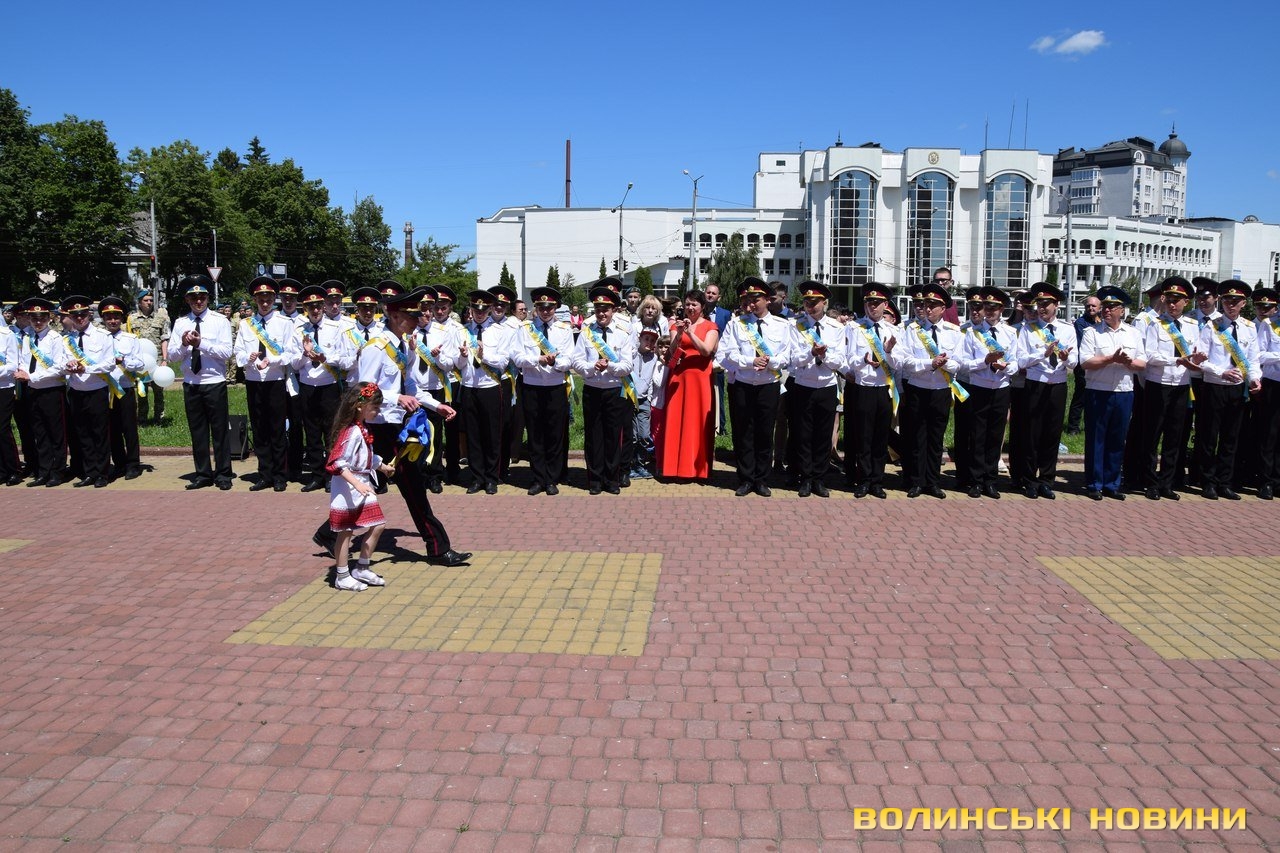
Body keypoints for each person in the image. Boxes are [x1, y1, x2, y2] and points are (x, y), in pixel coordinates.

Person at [329, 286, 469, 566]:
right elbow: (365, 390)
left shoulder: (404, 346)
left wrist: (436, 406)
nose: (418, 319)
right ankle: (438, 548)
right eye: (411, 315)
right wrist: (396, 398)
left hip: (395, 425)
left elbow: (412, 387)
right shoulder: (376, 347)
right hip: (378, 427)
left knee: (378, 483)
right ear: (394, 315)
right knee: (410, 487)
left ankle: (326, 534)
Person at [720, 277, 791, 496]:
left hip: (768, 385)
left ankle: (761, 479)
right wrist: (751, 361)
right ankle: (745, 478)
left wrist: (771, 362)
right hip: (743, 385)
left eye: (756, 299)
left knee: (764, 432)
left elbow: (787, 356)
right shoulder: (736, 324)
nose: (751, 303)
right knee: (744, 432)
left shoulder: (782, 325)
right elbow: (727, 355)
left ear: (767, 300)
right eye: (749, 299)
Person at [325, 382, 396, 591]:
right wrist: (356, 483)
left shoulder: (362, 429)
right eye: (375, 407)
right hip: (347, 487)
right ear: (360, 406)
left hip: (362, 484)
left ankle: (362, 567)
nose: (378, 411)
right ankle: (342, 575)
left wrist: (382, 467)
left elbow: (365, 456)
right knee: (345, 532)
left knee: (378, 524)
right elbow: (337, 462)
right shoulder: (350, 431)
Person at [898, 281, 965, 498]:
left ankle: (933, 482)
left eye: (933, 305)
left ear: (943, 308)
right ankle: (917, 482)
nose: (927, 309)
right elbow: (906, 361)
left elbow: (959, 363)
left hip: (941, 390)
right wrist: (930, 363)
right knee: (917, 437)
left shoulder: (954, 332)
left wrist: (944, 364)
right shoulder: (913, 330)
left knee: (936, 438)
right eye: (926, 304)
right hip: (918, 389)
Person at [1195, 280, 1261, 500]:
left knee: (1231, 438)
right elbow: (1201, 361)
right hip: (1214, 386)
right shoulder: (1211, 326)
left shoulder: (1249, 328)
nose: (1230, 305)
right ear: (1221, 302)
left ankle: (1225, 482)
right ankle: (1207, 482)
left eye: (1235, 301)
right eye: (1226, 301)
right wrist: (1221, 372)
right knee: (1209, 437)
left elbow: (1253, 360)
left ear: (1243, 303)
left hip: (1237, 389)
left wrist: (1254, 379)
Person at [1079, 286, 1146, 500]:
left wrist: (1128, 362)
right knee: (1096, 439)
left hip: (1124, 392)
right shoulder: (1092, 333)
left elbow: (1142, 363)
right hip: (1098, 391)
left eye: (1112, 307)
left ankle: (1112, 484)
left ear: (1122, 310)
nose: (1107, 310)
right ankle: (1094, 483)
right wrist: (1110, 359)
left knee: (1117, 439)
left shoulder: (1133, 333)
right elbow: (1085, 362)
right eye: (1105, 306)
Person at [1140, 277, 1203, 501]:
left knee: (1174, 437)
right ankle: (1150, 483)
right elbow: (1149, 355)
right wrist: (1175, 360)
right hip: (1158, 384)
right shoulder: (1155, 324)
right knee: (1152, 435)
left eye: (1177, 300)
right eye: (1169, 300)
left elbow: (1197, 354)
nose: (1172, 304)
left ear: (1186, 302)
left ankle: (1166, 483)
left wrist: (1198, 360)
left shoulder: (1193, 326)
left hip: (1182, 385)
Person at [169, 276, 235, 489]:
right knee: (197, 431)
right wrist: (183, 344)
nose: (199, 301)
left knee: (220, 431)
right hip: (191, 383)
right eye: (194, 298)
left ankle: (223, 474)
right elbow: (172, 356)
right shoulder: (181, 323)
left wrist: (201, 343)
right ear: (187, 300)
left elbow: (227, 352)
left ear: (208, 298)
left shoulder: (220, 321)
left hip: (214, 382)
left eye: (203, 297)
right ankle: (203, 474)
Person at [1013, 282, 1077, 499]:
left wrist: (1066, 358)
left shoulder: (1067, 329)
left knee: (1052, 434)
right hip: (1035, 385)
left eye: (1046, 304)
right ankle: (1029, 480)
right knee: (1031, 434)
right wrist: (1042, 354)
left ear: (1056, 305)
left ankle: (1047, 480)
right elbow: (1021, 360)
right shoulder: (1028, 329)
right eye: (1039, 304)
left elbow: (1075, 361)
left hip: (1057, 386)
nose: (1041, 308)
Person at [236, 276, 299, 492]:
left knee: (277, 429)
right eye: (261, 299)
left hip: (275, 381)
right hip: (254, 381)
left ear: (274, 299)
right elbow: (238, 353)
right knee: (259, 429)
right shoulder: (246, 325)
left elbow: (290, 354)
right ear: (255, 300)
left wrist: (271, 360)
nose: (264, 303)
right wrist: (250, 359)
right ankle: (264, 474)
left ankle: (280, 475)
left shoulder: (284, 323)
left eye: (268, 299)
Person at [785, 281, 846, 497]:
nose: (810, 306)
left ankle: (819, 478)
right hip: (803, 385)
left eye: (815, 302)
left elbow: (839, 361)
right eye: (807, 302)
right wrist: (811, 353)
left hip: (827, 386)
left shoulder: (836, 328)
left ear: (824, 303)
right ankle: (805, 477)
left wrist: (824, 355)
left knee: (823, 435)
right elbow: (793, 359)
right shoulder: (796, 326)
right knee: (803, 434)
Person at [571, 286, 635, 494]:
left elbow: (628, 365)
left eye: (605, 309)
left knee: (613, 437)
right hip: (592, 390)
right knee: (594, 436)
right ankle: (595, 480)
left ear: (613, 310)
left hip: (614, 391)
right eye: (598, 309)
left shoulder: (623, 334)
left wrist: (610, 366)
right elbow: (577, 361)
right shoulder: (586, 333)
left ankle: (612, 479)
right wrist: (592, 366)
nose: (601, 313)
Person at [956, 287, 1018, 498]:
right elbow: (963, 364)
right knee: (977, 435)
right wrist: (984, 361)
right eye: (986, 307)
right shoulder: (972, 333)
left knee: (995, 435)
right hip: (979, 388)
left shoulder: (1010, 333)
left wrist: (1006, 367)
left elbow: (1015, 362)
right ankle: (976, 480)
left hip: (1001, 388)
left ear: (1002, 309)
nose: (989, 311)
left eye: (994, 308)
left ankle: (991, 480)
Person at [294, 284, 356, 493]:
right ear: (305, 308)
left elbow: (346, 358)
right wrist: (304, 355)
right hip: (307, 387)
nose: (315, 310)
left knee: (331, 433)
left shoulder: (335, 328)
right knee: (311, 433)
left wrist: (325, 358)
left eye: (318, 306)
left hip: (329, 387)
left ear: (323, 306)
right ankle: (316, 476)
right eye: (311, 307)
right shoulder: (299, 331)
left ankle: (332, 475)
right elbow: (293, 363)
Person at [511, 286, 573, 495]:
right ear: (535, 308)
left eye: (550, 307)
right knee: (535, 434)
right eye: (541, 307)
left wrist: (555, 363)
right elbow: (517, 357)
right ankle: (538, 478)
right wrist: (537, 359)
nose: (546, 311)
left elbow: (569, 358)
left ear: (555, 308)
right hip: (531, 387)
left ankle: (552, 479)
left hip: (555, 387)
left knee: (554, 434)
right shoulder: (525, 329)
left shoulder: (564, 330)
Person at [844, 283, 899, 498]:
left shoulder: (893, 331)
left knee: (880, 438)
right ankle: (864, 479)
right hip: (863, 388)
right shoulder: (854, 328)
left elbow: (899, 363)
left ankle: (877, 481)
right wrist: (863, 361)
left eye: (876, 303)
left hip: (884, 388)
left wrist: (888, 352)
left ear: (885, 305)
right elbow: (849, 358)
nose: (872, 307)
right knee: (863, 437)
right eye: (869, 303)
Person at [658, 289, 718, 481]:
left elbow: (706, 350)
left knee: (697, 420)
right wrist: (678, 334)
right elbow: (671, 351)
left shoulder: (710, 326)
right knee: (676, 419)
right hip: (679, 377)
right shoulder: (676, 325)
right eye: (688, 304)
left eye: (694, 304)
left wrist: (690, 333)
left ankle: (696, 469)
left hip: (700, 378)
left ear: (702, 307)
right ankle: (673, 468)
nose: (690, 307)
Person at [57, 295, 116, 488]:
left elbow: (109, 364)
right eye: (75, 315)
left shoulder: (103, 336)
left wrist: (86, 368)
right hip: (76, 391)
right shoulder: (67, 339)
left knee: (100, 434)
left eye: (82, 314)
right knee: (83, 434)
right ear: (70, 317)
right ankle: (89, 472)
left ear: (89, 314)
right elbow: (60, 363)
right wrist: (68, 366)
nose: (79, 318)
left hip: (97, 390)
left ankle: (102, 473)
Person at [460, 289, 513, 494]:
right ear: (471, 309)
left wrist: (485, 356)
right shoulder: (463, 331)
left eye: (483, 310)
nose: (479, 313)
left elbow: (503, 361)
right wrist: (462, 356)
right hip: (469, 387)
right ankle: (477, 477)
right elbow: (456, 364)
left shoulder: (499, 331)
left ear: (490, 309)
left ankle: (491, 478)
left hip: (490, 387)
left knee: (492, 435)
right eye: (476, 309)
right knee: (473, 435)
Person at [16, 298, 69, 486]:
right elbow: (24, 361)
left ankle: (58, 472)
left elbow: (59, 367)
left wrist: (32, 376)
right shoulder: (28, 338)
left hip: (51, 391)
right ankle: (43, 471)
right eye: (34, 318)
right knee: (40, 433)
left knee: (56, 433)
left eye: (42, 318)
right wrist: (23, 372)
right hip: (33, 391)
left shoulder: (55, 339)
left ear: (49, 318)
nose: (38, 322)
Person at [99, 297, 146, 481]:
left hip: (124, 388)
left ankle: (133, 464)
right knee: (112, 429)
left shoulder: (130, 339)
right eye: (108, 317)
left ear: (122, 319)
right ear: (103, 319)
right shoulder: (98, 339)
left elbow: (140, 363)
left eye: (116, 317)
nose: (112, 321)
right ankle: (119, 463)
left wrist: (124, 361)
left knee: (129, 428)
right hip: (104, 389)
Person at [428, 284, 466, 487]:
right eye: (436, 307)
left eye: (444, 307)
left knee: (452, 430)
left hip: (452, 383)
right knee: (433, 430)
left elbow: (458, 360)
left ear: (450, 307)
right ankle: (434, 471)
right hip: (432, 384)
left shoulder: (458, 329)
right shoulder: (426, 326)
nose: (440, 311)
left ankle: (453, 470)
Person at [1253, 286, 1280, 500]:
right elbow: (1259, 355)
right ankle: (1266, 481)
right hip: (1274, 383)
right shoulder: (1269, 324)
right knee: (1269, 434)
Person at [126, 289, 170, 422]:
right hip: (140, 361)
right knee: (141, 390)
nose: (149, 302)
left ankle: (159, 417)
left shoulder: (161, 318)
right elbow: (129, 340)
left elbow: (164, 339)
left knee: (158, 390)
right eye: (146, 300)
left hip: (157, 360)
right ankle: (142, 418)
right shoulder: (132, 319)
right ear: (139, 302)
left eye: (151, 300)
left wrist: (165, 359)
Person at [629, 327, 664, 480]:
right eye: (646, 339)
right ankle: (630, 465)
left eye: (652, 340)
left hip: (644, 401)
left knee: (644, 435)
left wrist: (648, 399)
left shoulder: (654, 358)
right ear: (640, 339)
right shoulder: (631, 355)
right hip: (629, 399)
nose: (649, 342)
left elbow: (651, 380)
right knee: (632, 436)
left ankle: (640, 464)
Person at [1066, 295, 1102, 434]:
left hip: (1099, 364)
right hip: (1084, 365)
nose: (1090, 308)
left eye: (1093, 306)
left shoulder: (1103, 321)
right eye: (1088, 306)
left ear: (1100, 308)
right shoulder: (1081, 323)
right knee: (1080, 396)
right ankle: (1073, 427)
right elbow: (1085, 343)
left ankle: (1092, 425)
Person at [0, 310, 19, 485]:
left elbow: (13, 364)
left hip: (4, 387)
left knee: (2, 428)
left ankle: (13, 469)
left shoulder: (7, 335)